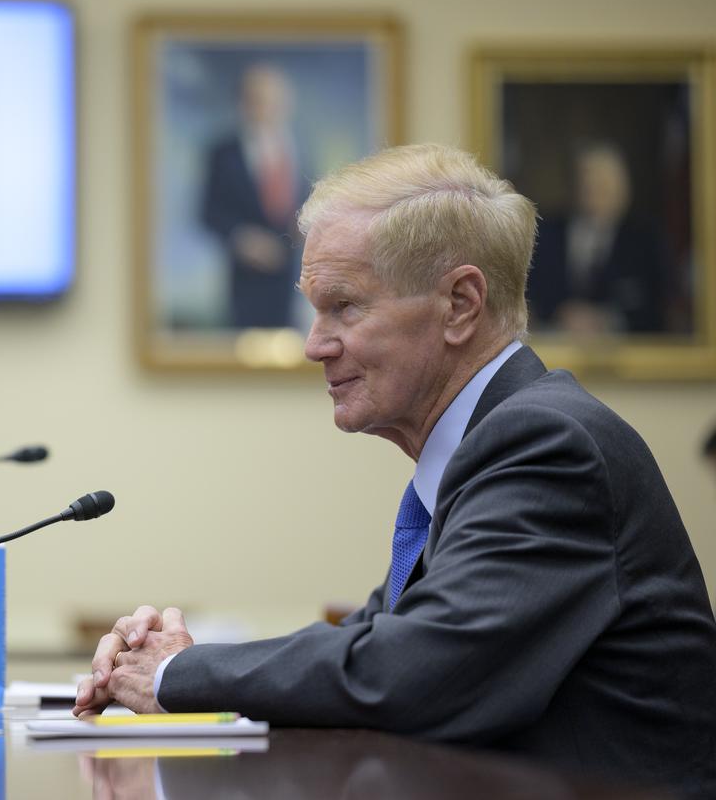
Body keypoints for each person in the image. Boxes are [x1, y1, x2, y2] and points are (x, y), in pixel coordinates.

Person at [75, 144, 716, 797]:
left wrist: (179, 673)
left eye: (344, 306)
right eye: (314, 309)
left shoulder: (547, 445)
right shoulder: (489, 443)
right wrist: (182, 661)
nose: (314, 345)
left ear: (460, 304)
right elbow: (375, 642)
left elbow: (413, 671)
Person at [200, 64, 311, 329]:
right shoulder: (224, 153)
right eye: (259, 100)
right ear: (243, 104)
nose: (268, 108)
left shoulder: (303, 148)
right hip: (246, 280)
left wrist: (305, 226)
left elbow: (312, 199)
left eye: (275, 100)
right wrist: (242, 239)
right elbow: (208, 211)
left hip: (293, 276)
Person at [527, 144, 670, 334]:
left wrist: (607, 320)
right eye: (587, 181)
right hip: (553, 343)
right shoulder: (545, 234)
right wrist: (559, 315)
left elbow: (657, 303)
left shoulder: (644, 240)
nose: (594, 190)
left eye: (604, 184)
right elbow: (528, 294)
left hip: (627, 348)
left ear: (622, 188)